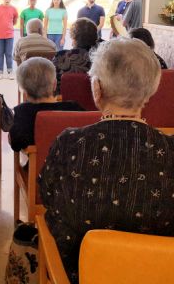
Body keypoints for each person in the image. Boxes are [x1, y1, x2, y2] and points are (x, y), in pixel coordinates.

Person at [39, 38, 174, 283]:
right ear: (151, 91)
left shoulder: (70, 143)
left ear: (97, 89)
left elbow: (47, 195)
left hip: (78, 274)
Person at [9, 57, 83, 152]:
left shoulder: (22, 112)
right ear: (55, 85)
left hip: (39, 162)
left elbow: (16, 144)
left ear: (24, 91)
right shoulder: (73, 108)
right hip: (72, 160)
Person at [53, 18, 98, 93]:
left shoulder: (60, 56)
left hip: (63, 99)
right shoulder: (101, 59)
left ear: (73, 37)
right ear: (95, 37)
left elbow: (52, 83)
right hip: (93, 99)